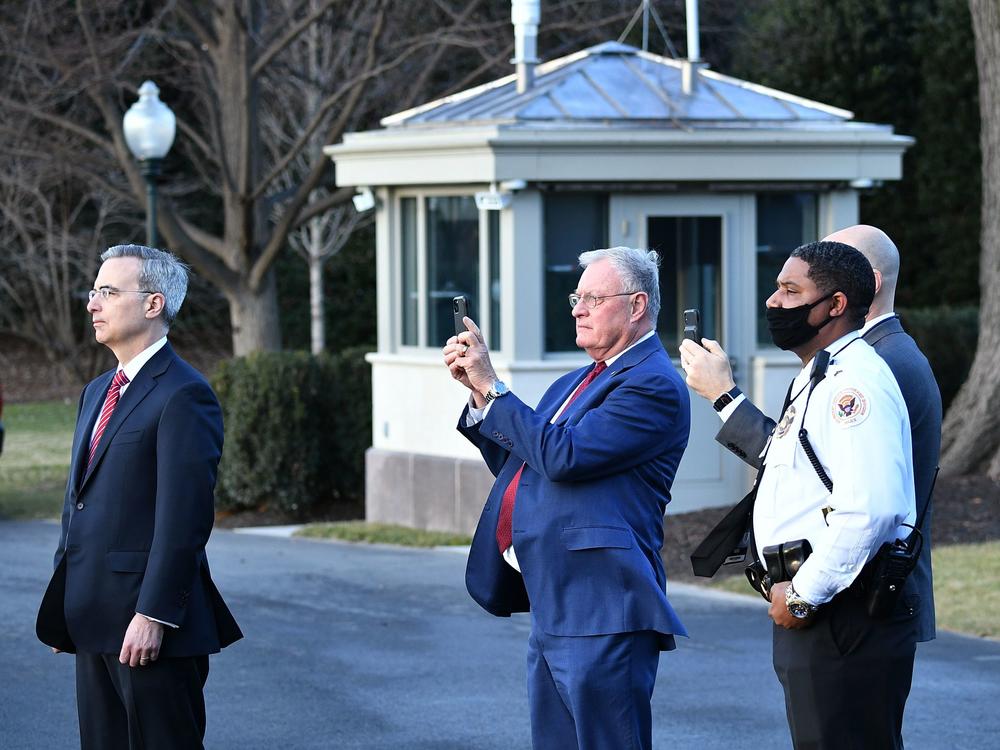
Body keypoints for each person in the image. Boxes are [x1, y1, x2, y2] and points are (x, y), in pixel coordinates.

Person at [443, 246, 690, 750]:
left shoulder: (652, 384)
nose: (577, 308)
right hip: (556, 601)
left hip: (604, 606)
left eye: (593, 298)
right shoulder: (576, 380)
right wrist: (478, 394)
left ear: (637, 305)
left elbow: (563, 456)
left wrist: (495, 389)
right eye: (577, 297)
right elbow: (525, 464)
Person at [681, 240, 919, 749]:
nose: (774, 302)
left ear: (835, 305)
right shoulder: (821, 374)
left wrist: (806, 595)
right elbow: (793, 469)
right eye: (776, 288)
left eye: (791, 290)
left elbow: (869, 508)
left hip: (842, 609)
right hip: (823, 606)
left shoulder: (853, 383)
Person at [36, 244, 242, 750]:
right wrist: (68, 604)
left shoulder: (184, 393)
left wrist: (154, 615)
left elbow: (184, 520)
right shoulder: (97, 390)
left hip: (150, 631)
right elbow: (77, 505)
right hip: (94, 622)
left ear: (153, 305)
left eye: (107, 291)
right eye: (93, 291)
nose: (92, 304)